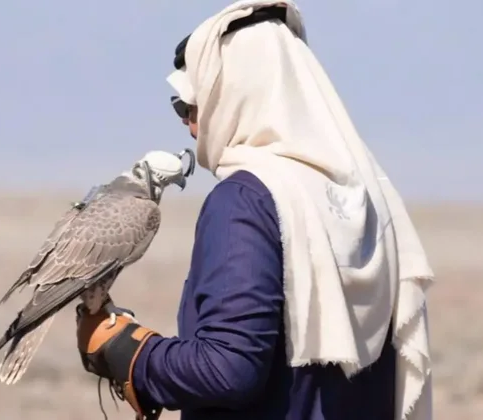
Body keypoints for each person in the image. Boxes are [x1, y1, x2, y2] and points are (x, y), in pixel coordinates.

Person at [74, 1, 436, 419]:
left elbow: (228, 369)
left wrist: (130, 354)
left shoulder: (246, 201)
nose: (189, 125)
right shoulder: (371, 199)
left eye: (191, 105)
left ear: (234, 99)